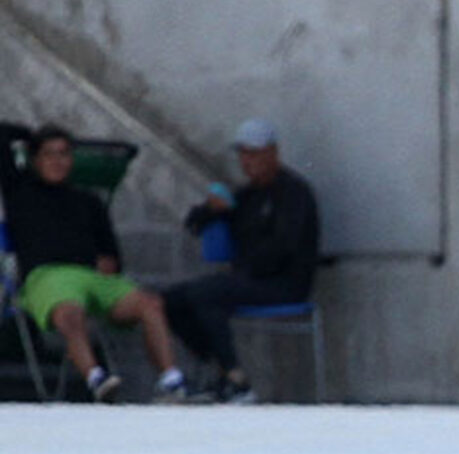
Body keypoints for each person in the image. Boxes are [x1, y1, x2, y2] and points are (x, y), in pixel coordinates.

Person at [0, 124, 187, 402]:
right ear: (36, 159)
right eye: (49, 154)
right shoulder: (20, 191)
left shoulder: (88, 201)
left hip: (92, 278)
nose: (57, 161)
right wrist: (27, 135)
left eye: (64, 154)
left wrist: (110, 263)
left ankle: (171, 381)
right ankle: (96, 379)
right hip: (48, 277)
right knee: (70, 312)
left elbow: (112, 253)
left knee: (150, 304)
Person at [162, 118, 320, 404]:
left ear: (273, 153)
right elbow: (195, 223)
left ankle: (237, 380)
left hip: (283, 283)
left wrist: (242, 273)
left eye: (254, 153)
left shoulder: (294, 193)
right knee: (169, 301)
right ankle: (219, 368)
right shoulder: (247, 195)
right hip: (248, 281)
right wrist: (212, 209)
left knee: (208, 293)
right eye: (243, 154)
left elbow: (284, 248)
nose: (248, 162)